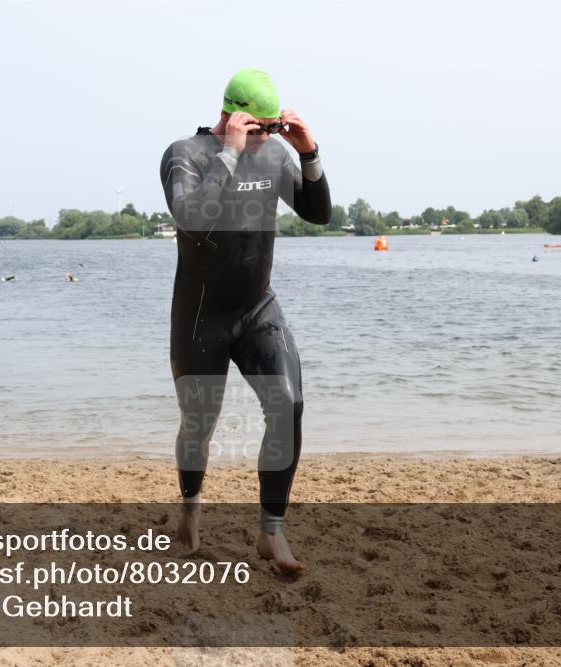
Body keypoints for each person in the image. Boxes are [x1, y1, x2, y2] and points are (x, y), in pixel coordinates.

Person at [159, 68, 331, 573]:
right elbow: (191, 218)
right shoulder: (184, 155)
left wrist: (307, 150)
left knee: (289, 404)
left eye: (271, 130)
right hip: (201, 314)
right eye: (257, 129)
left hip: (257, 308)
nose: (264, 140)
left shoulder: (275, 153)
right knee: (199, 425)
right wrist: (231, 153)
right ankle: (190, 511)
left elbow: (318, 213)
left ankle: (271, 534)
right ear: (231, 115)